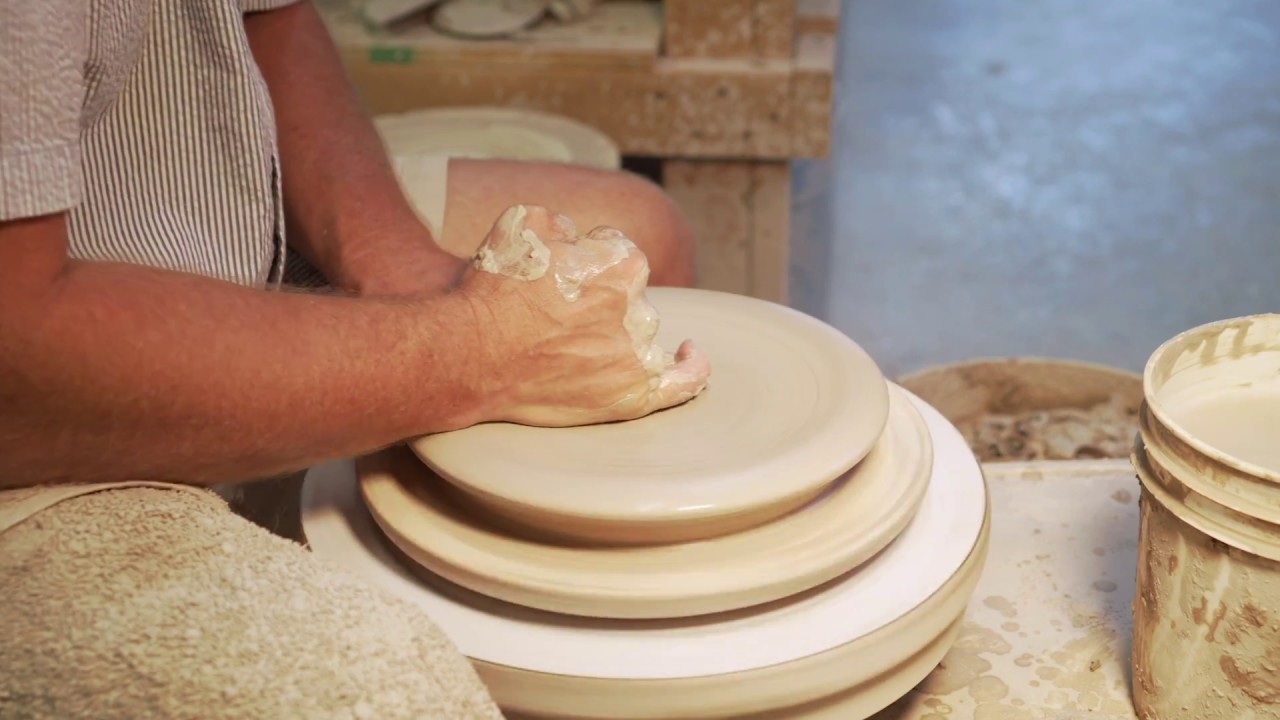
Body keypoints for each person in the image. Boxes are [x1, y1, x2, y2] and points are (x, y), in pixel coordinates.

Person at [0, 2, 710, 717]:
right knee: (388, 696)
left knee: (649, 233)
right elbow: (19, 358)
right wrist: (473, 352)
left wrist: (398, 268)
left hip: (180, 195)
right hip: (44, 379)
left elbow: (272, 19)